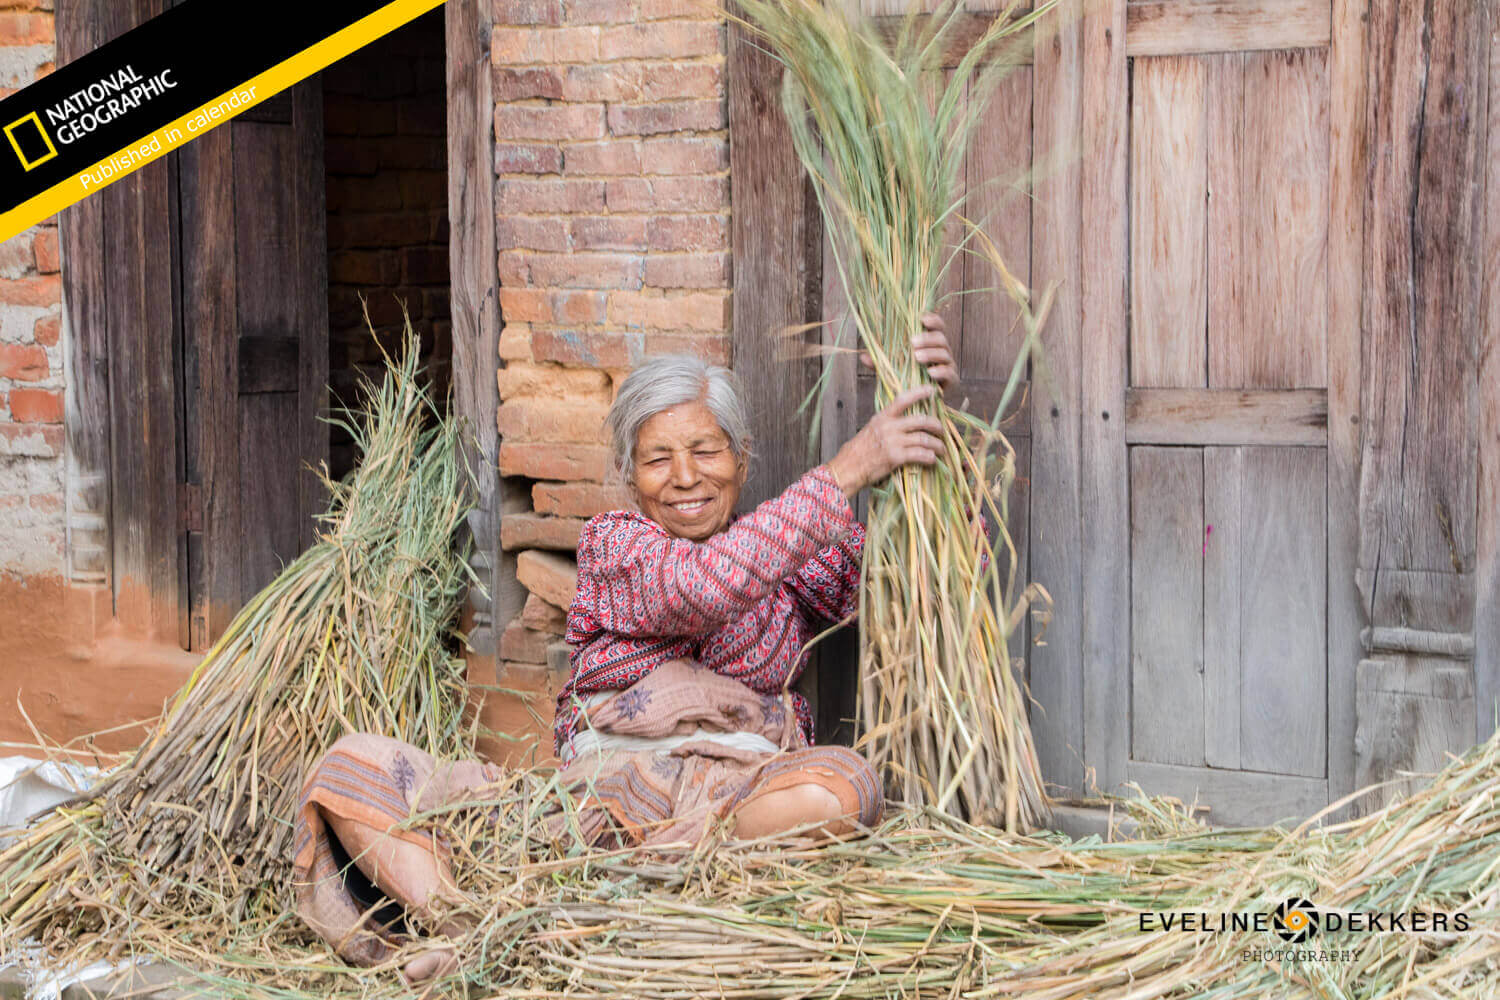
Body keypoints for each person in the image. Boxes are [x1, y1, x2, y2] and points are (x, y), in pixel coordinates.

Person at [291, 315, 959, 979]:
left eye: (706, 450)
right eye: (658, 458)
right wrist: (848, 470)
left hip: (729, 805)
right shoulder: (616, 545)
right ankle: (476, 927)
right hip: (586, 814)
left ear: (743, 457)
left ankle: (587, 915)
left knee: (845, 787)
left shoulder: (796, 559)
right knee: (352, 768)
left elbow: (937, 575)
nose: (686, 476)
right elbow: (703, 588)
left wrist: (934, 424)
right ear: (629, 474)